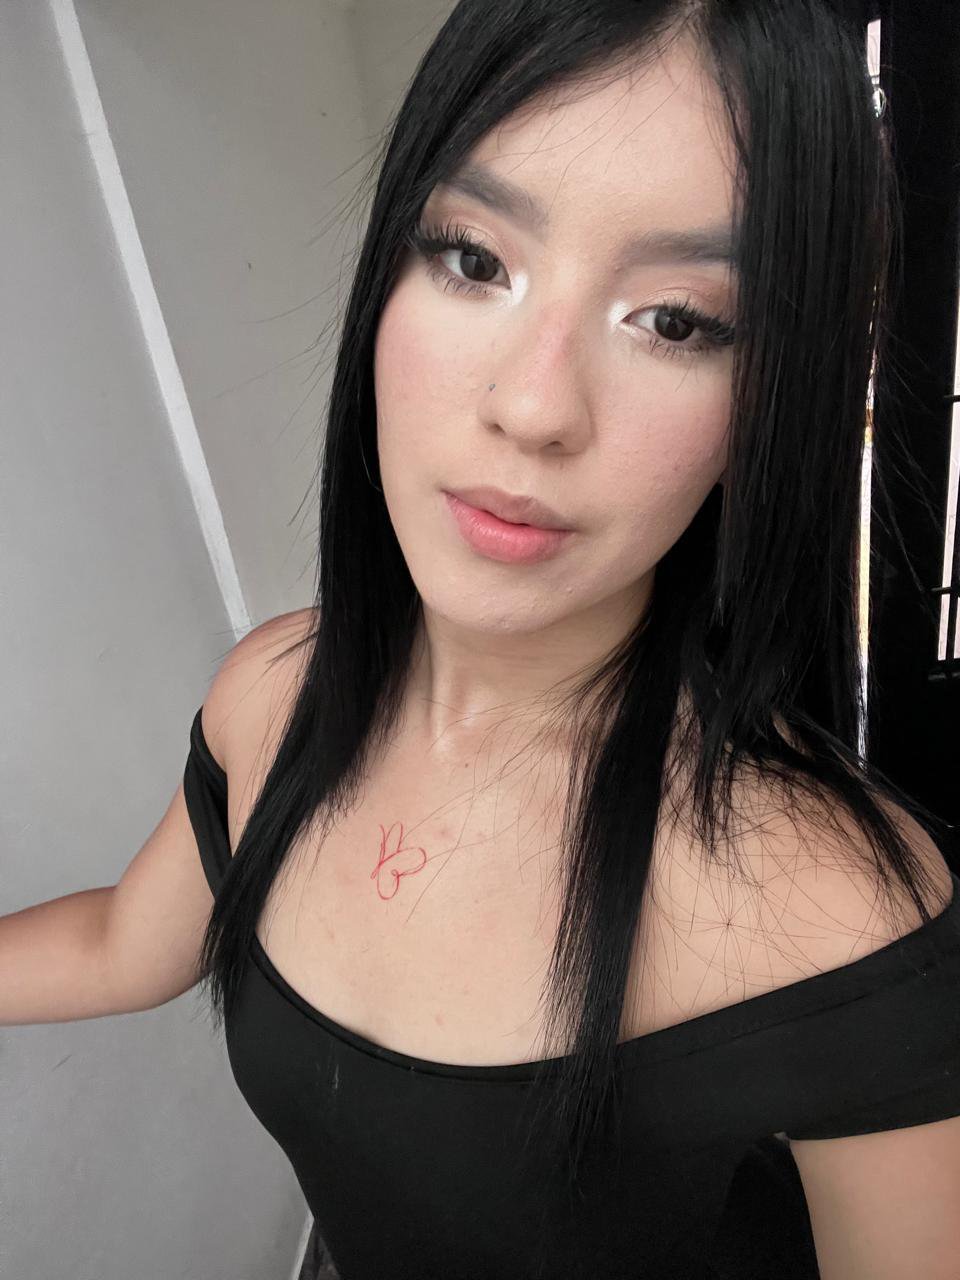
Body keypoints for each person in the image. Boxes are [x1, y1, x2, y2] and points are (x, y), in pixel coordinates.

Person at [5, 2, 960, 1278]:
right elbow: (124, 943)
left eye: (677, 320)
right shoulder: (274, 691)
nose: (532, 404)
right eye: (472, 258)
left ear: (771, 395)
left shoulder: (835, 909)